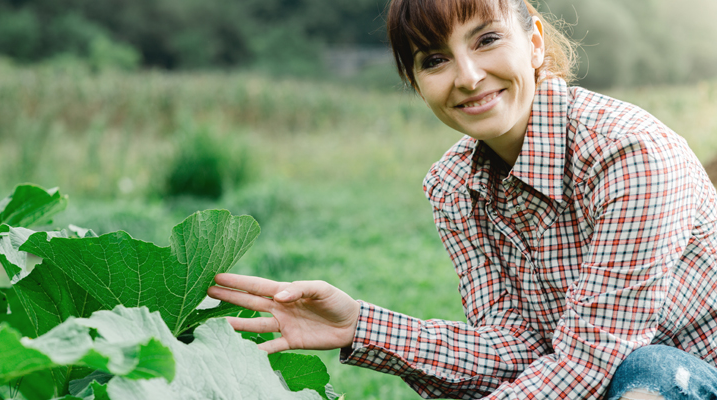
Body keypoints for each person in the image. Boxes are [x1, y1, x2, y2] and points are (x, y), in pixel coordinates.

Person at [208, 0, 717, 398]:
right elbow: (511, 352)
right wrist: (360, 326)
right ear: (417, 83)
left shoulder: (626, 153)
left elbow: (594, 357)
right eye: (435, 60)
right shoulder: (453, 186)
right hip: (607, 385)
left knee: (645, 368)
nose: (469, 77)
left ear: (535, 43)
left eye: (488, 40)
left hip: (688, 374)